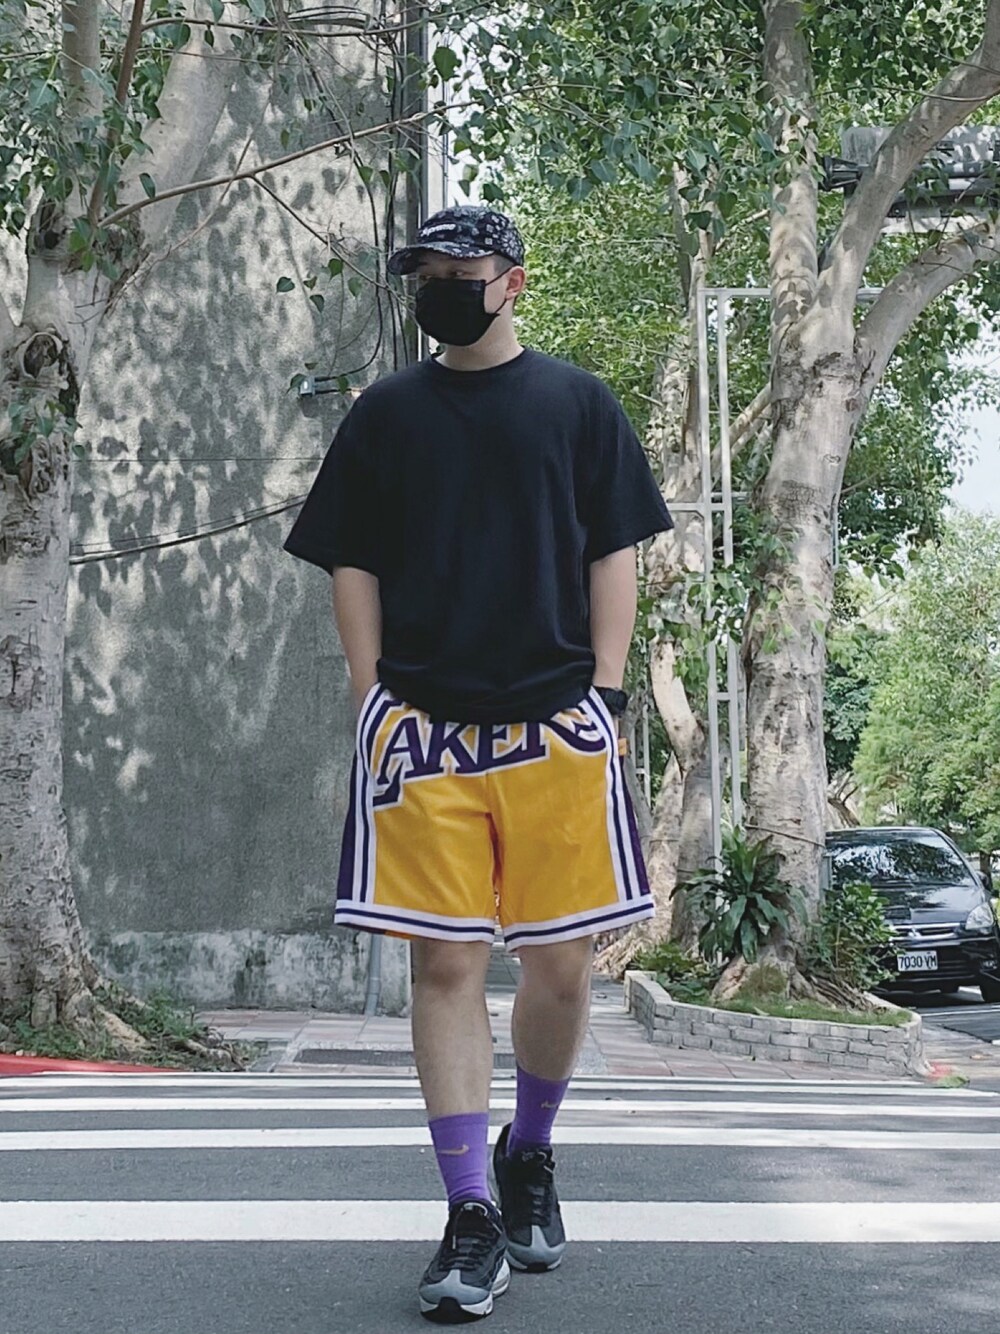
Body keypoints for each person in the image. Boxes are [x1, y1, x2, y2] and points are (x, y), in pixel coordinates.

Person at [283, 204, 673, 1323]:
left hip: (556, 723)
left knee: (562, 967)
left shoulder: (578, 404)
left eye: (462, 268)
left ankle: (528, 1152)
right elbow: (350, 560)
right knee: (445, 966)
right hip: (425, 734)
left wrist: (605, 691)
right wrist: (371, 695)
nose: (442, 286)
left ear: (513, 282)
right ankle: (468, 1212)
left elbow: (614, 550)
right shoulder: (387, 414)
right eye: (426, 272)